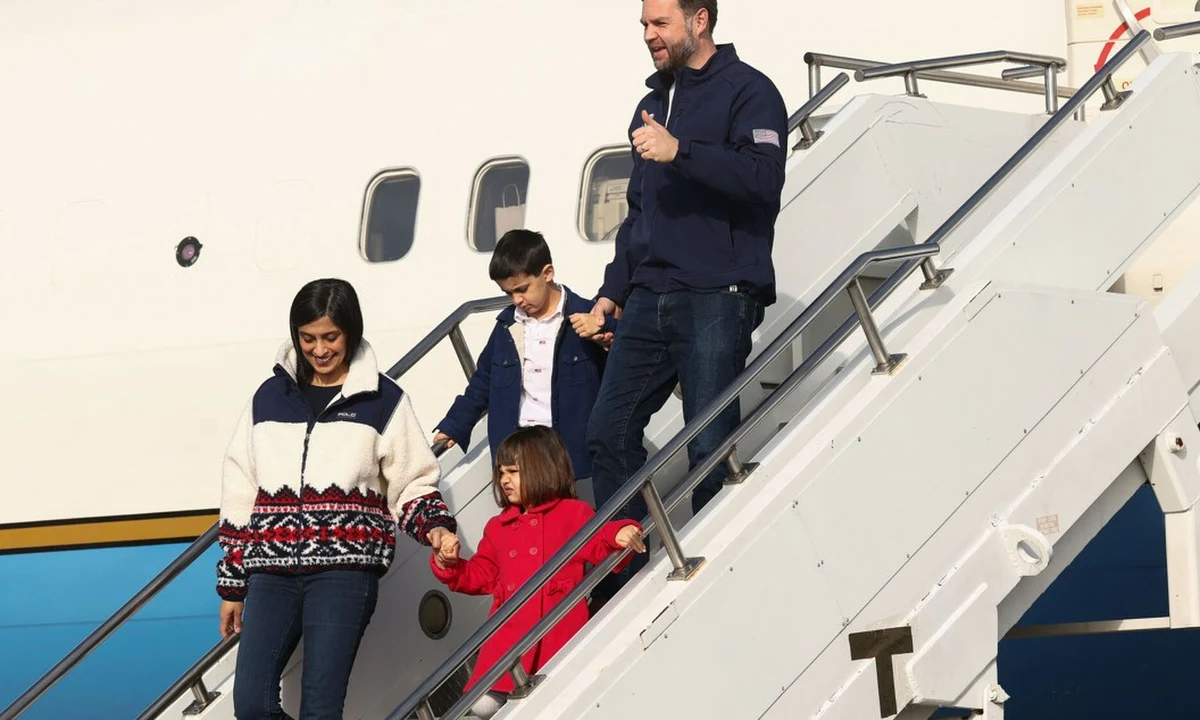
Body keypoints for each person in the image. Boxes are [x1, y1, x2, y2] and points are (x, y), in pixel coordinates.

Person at [582, 0, 788, 602]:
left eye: (660, 23)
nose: (649, 35)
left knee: (706, 441)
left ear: (700, 20)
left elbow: (762, 180)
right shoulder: (650, 106)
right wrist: (610, 294)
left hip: (717, 292)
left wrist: (683, 151)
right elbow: (640, 216)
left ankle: (708, 580)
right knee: (606, 430)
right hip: (650, 294)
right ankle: (626, 577)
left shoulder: (750, 91)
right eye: (645, 25)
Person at [216, 278, 461, 720]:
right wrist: (233, 583)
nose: (319, 349)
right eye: (307, 338)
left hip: (344, 574)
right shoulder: (269, 398)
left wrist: (436, 527)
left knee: (321, 709)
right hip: (271, 574)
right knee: (250, 703)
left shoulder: (382, 400)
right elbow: (241, 491)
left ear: (350, 331)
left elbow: (412, 481)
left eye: (330, 337)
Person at [430, 426, 645, 719]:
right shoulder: (498, 527)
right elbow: (482, 574)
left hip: (556, 638)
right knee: (482, 705)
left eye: (513, 472)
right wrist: (450, 563)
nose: (504, 480)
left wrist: (619, 531)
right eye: (501, 473)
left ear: (541, 468)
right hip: (506, 645)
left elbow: (597, 538)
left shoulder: (571, 513)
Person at [433, 229, 611, 481]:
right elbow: (483, 380)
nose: (517, 300)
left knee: (571, 518)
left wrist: (606, 336)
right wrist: (455, 425)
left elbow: (619, 375)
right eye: (508, 293)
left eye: (522, 289)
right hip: (518, 451)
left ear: (547, 273)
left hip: (569, 452)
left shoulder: (585, 318)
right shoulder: (507, 326)